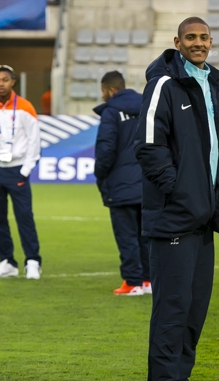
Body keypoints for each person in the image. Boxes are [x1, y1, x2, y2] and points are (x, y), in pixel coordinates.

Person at [134, 17, 219, 381]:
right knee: (172, 306)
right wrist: (180, 191)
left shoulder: (212, 84)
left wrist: (211, 200)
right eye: (189, 38)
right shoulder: (163, 84)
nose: (197, 43)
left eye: (203, 38)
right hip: (174, 216)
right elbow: (148, 146)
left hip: (202, 217)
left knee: (194, 306)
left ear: (211, 41)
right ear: (177, 42)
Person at [0, 64, 42, 280]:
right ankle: (7, 261)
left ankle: (32, 261)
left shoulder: (25, 107)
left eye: (5, 79)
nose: (1, 83)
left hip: (17, 170)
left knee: (24, 217)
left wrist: (26, 169)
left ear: (13, 81)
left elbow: (34, 140)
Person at [93, 70, 151, 296]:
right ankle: (147, 281)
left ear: (110, 90)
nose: (103, 97)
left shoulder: (111, 111)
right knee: (146, 235)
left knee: (126, 236)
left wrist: (101, 175)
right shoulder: (148, 107)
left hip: (120, 186)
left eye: (103, 92)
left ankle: (132, 282)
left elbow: (105, 149)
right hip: (147, 183)